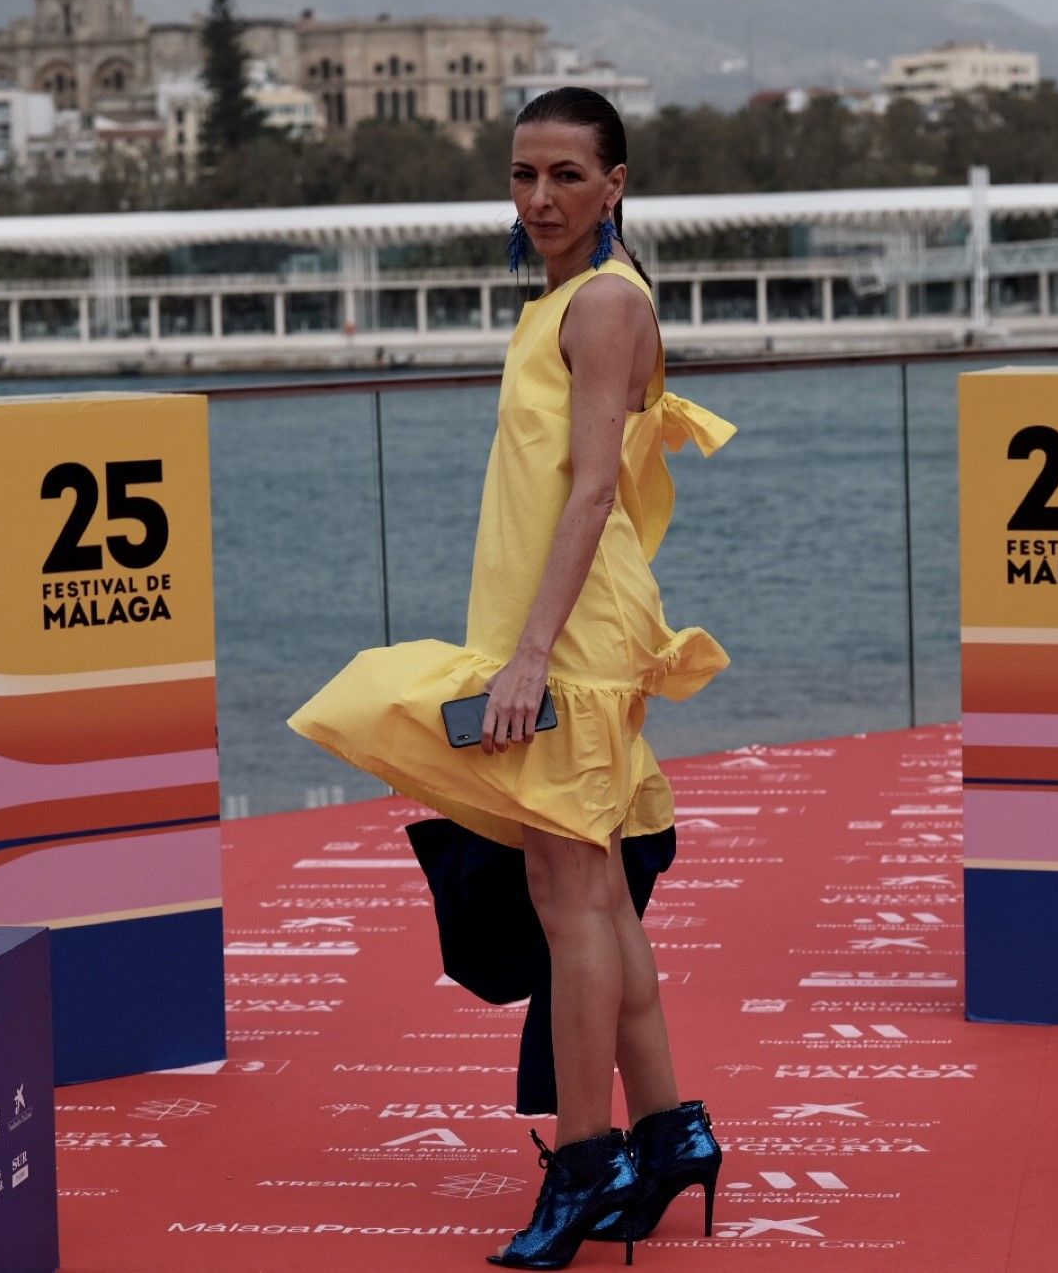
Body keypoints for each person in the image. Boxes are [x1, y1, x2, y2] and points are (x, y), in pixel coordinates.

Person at [288, 86, 732, 1269]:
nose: (540, 199)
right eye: (523, 176)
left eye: (567, 178)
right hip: (554, 621)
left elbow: (590, 488)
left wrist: (531, 654)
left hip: (570, 634)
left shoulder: (598, 304)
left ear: (616, 184)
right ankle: (669, 1128)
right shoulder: (570, 298)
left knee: (570, 900)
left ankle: (586, 1162)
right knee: (590, 896)